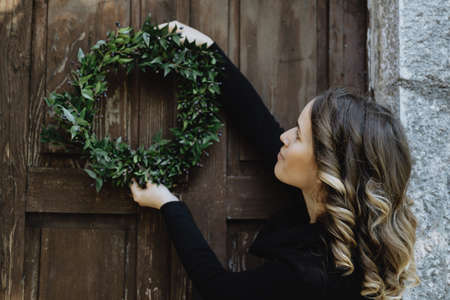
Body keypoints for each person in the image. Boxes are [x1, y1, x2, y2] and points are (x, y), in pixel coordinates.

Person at [129, 21, 420, 300]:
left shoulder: (312, 274)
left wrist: (168, 204)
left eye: (299, 136)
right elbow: (260, 127)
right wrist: (206, 51)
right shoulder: (343, 223)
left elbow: (220, 290)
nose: (285, 136)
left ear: (326, 170)